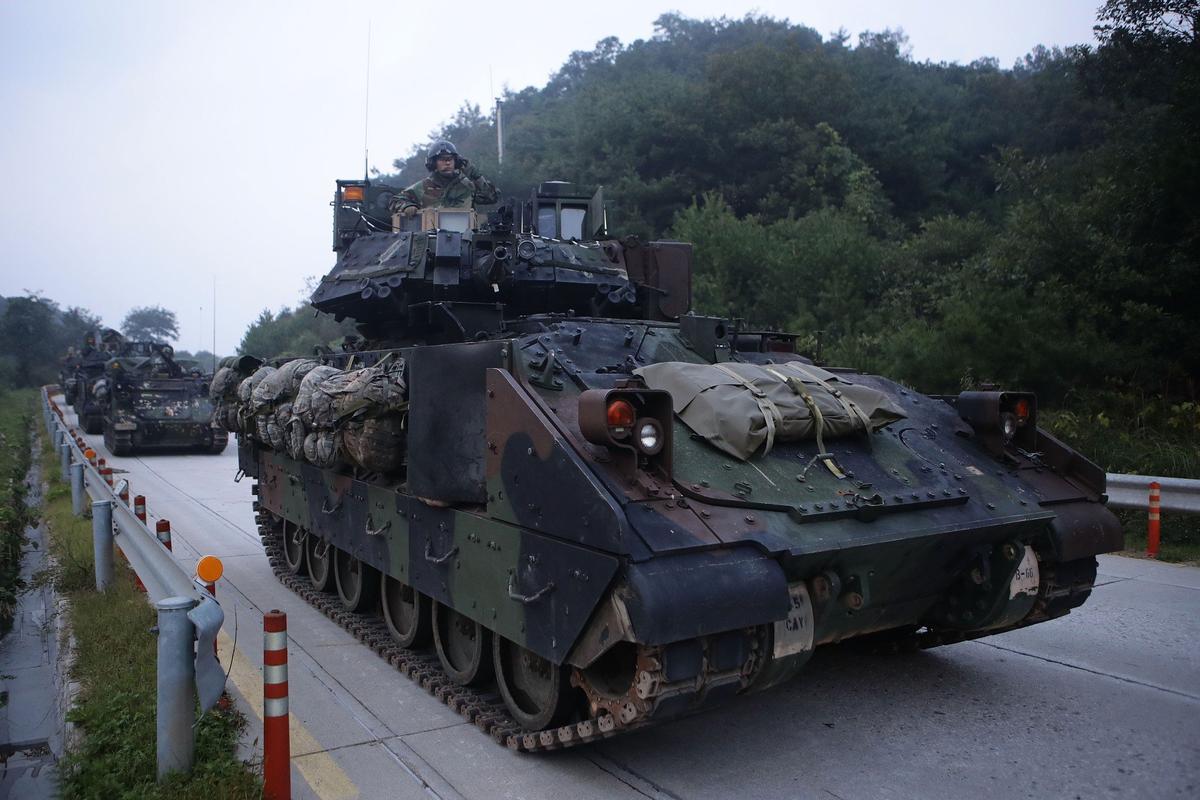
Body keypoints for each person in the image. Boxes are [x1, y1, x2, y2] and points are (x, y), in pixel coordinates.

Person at [389, 140, 499, 217]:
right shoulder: (422, 187)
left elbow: (492, 197)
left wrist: (476, 176)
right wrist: (407, 206)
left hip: (465, 238)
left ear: (456, 162)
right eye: (442, 159)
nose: (447, 163)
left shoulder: (468, 186)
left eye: (450, 159)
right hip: (431, 238)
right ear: (433, 163)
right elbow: (395, 200)